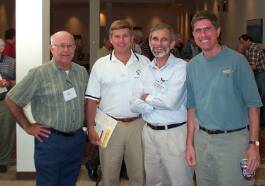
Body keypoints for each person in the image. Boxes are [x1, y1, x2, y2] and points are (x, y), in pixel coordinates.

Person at [185, 11, 262, 186]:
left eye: (207, 29)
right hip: (202, 141)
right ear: (193, 35)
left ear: (218, 31)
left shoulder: (238, 61)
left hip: (233, 142)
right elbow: (191, 108)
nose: (203, 35)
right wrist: (189, 144)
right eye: (198, 31)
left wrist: (253, 144)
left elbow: (254, 107)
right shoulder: (192, 66)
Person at [5, 31, 88, 186]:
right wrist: (28, 126)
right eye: (61, 46)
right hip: (50, 141)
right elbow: (11, 99)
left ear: (75, 48)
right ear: (52, 49)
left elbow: (85, 102)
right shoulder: (39, 73)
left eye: (70, 45)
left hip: (76, 140)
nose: (66, 50)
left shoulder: (81, 72)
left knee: (69, 181)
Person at [85, 19, 150, 186]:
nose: (121, 40)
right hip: (109, 125)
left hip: (138, 124)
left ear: (132, 38)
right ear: (110, 39)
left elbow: (152, 93)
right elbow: (91, 100)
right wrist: (91, 127)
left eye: (125, 36)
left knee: (139, 174)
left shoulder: (145, 62)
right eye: (117, 36)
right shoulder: (100, 65)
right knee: (109, 175)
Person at [130, 22, 193, 186]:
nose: (158, 44)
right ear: (149, 42)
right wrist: (155, 102)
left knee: (179, 181)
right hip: (149, 133)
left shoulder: (182, 67)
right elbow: (133, 103)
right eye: (155, 39)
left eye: (164, 39)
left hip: (174, 134)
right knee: (153, 181)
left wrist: (147, 98)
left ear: (172, 43)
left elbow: (171, 102)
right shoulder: (146, 69)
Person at [239, 34, 265, 126]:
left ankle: (260, 121)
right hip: (257, 73)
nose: (241, 45)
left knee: (258, 99)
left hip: (261, 74)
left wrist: (241, 70)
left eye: (242, 43)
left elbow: (253, 66)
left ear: (248, 41)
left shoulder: (254, 48)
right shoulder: (248, 49)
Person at [0, 38, 16, 173]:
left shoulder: (11, 62)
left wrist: (8, 82)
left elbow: (19, 80)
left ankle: (3, 161)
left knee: (6, 131)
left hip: (4, 100)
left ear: (1, 49)